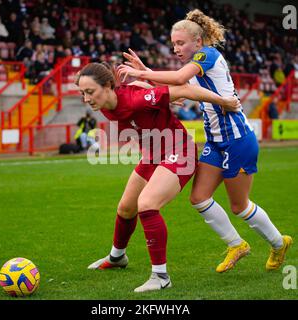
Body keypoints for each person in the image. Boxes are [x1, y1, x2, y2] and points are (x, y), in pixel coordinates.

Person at [118, 9, 292, 273]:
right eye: (173, 43)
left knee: (239, 206)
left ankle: (279, 243)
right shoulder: (198, 66)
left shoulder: (207, 55)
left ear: (198, 42)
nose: (176, 48)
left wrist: (142, 75)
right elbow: (177, 88)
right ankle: (237, 245)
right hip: (215, 141)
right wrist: (148, 71)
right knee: (199, 198)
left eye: (181, 43)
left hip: (237, 141)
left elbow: (178, 79)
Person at [75, 62, 240, 292]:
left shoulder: (133, 100)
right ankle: (117, 257)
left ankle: (161, 276)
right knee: (125, 208)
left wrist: (225, 101)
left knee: (147, 205)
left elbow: (183, 88)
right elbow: (138, 86)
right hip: (153, 155)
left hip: (180, 152)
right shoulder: (108, 100)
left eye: (90, 92)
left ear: (108, 86)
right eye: (82, 93)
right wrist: (152, 86)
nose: (86, 98)